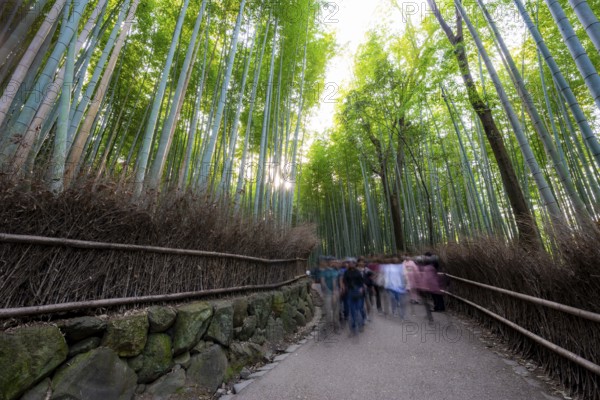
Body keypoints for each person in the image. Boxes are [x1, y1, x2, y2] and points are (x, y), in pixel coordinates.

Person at [343, 259, 365, 335]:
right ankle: (353, 327)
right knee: (352, 311)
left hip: (358, 291)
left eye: (353, 263)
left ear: (355, 264)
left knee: (358, 309)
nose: (351, 264)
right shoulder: (346, 272)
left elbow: (361, 281)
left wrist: (361, 288)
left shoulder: (358, 272)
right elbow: (344, 282)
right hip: (350, 292)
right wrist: (344, 288)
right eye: (350, 263)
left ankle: (361, 324)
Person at [320, 256, 340, 333]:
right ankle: (328, 328)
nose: (334, 262)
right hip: (327, 294)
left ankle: (336, 327)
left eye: (334, 261)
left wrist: (335, 293)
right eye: (332, 261)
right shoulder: (323, 271)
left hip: (335, 293)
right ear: (328, 262)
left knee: (336, 312)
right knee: (328, 312)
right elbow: (323, 282)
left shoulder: (335, 271)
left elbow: (336, 282)